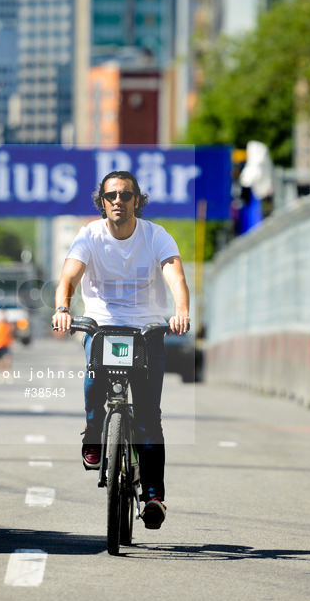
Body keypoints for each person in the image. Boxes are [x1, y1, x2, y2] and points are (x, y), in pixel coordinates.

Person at [52, 170, 190, 531]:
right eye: (111, 195)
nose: (118, 201)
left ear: (137, 201)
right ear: (101, 202)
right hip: (101, 326)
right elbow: (68, 278)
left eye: (126, 195)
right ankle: (94, 432)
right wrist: (64, 310)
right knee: (93, 384)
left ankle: (154, 498)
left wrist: (181, 312)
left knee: (148, 417)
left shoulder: (156, 236)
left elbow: (175, 276)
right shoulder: (89, 236)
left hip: (147, 331)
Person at [0, 310, 14, 383]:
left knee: (7, 359)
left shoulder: (9, 324)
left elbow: (12, 334)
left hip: (6, 344)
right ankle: (0, 374)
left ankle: (7, 374)